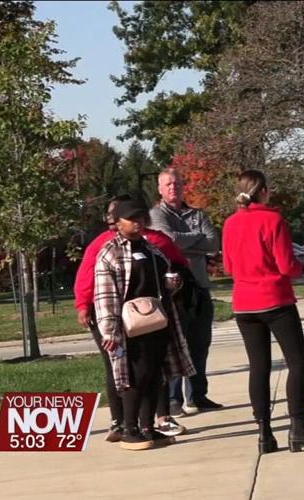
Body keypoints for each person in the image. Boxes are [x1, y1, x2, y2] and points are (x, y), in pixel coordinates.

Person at [223, 170, 304, 454]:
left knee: (258, 367)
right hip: (275, 299)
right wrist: (297, 268)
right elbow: (287, 266)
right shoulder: (273, 220)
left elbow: (228, 268)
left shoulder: (231, 223)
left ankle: (264, 432)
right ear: (263, 191)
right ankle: (298, 425)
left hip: (244, 303)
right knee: (297, 362)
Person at [74, 195, 190, 442]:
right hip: (128, 325)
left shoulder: (151, 248)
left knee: (153, 374)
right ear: (117, 223)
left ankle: (148, 427)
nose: (137, 223)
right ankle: (129, 428)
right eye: (131, 219)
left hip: (155, 322)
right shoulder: (109, 253)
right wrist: (111, 331)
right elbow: (106, 296)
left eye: (141, 218)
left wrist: (173, 284)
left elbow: (165, 276)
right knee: (133, 376)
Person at [149, 168, 223, 414]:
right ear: (160, 189)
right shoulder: (155, 215)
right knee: (175, 345)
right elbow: (168, 240)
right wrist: (196, 239)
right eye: (168, 184)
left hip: (200, 288)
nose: (174, 188)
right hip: (174, 292)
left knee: (200, 343)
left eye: (178, 184)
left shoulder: (197, 213)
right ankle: (174, 399)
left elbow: (213, 242)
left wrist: (188, 243)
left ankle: (198, 395)